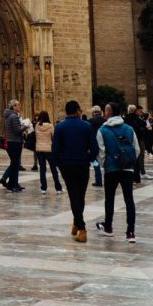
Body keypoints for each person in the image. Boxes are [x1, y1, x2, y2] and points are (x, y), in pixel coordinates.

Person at [51, 99, 98, 244]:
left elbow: (55, 150)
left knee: (73, 195)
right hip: (82, 164)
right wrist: (87, 159)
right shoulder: (86, 126)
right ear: (77, 111)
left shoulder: (59, 127)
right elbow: (95, 149)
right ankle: (77, 224)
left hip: (67, 165)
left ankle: (81, 227)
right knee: (81, 195)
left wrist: (61, 164)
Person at [95, 103, 139, 243]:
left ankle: (108, 227)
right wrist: (128, 162)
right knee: (129, 200)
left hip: (111, 169)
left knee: (110, 198)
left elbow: (100, 153)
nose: (104, 112)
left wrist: (106, 164)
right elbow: (136, 150)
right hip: (127, 169)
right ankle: (130, 232)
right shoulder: (129, 129)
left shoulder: (102, 130)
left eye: (106, 110)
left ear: (109, 112)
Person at [33, 111, 62, 194]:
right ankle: (58, 188)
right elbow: (54, 137)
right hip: (49, 149)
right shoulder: (50, 126)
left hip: (39, 149)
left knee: (42, 169)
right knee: (53, 169)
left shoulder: (37, 125)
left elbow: (36, 135)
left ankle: (43, 188)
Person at [0, 99, 25, 193]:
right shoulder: (13, 116)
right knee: (15, 164)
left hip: (11, 142)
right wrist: (25, 126)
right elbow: (17, 131)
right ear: (13, 106)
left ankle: (14, 183)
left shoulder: (8, 116)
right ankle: (12, 185)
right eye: (18, 105)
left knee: (15, 164)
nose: (20, 106)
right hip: (15, 142)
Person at [88, 105, 106, 186]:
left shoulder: (91, 121)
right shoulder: (105, 120)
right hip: (105, 142)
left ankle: (98, 181)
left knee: (96, 163)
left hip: (94, 143)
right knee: (106, 162)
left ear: (93, 112)